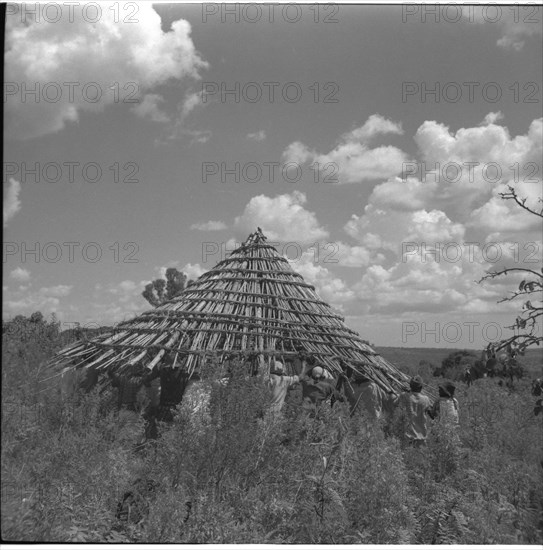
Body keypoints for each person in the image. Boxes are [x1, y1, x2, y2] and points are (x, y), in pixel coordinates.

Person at [395, 375, 433, 446]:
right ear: (421, 387)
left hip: (407, 436)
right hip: (421, 437)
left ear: (410, 386)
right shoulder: (426, 399)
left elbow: (395, 404)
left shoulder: (404, 396)